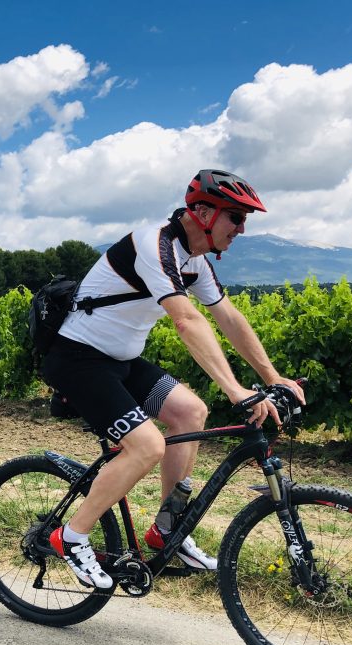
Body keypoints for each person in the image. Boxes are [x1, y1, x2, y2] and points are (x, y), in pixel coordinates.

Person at [42, 169, 306, 588]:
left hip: (122, 361)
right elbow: (186, 320)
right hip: (77, 360)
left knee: (190, 411)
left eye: (244, 219)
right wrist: (237, 390)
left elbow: (229, 318)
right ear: (202, 211)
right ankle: (71, 536)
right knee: (146, 446)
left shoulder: (195, 261)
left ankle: (167, 527)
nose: (242, 228)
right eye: (235, 217)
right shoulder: (154, 244)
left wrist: (274, 377)